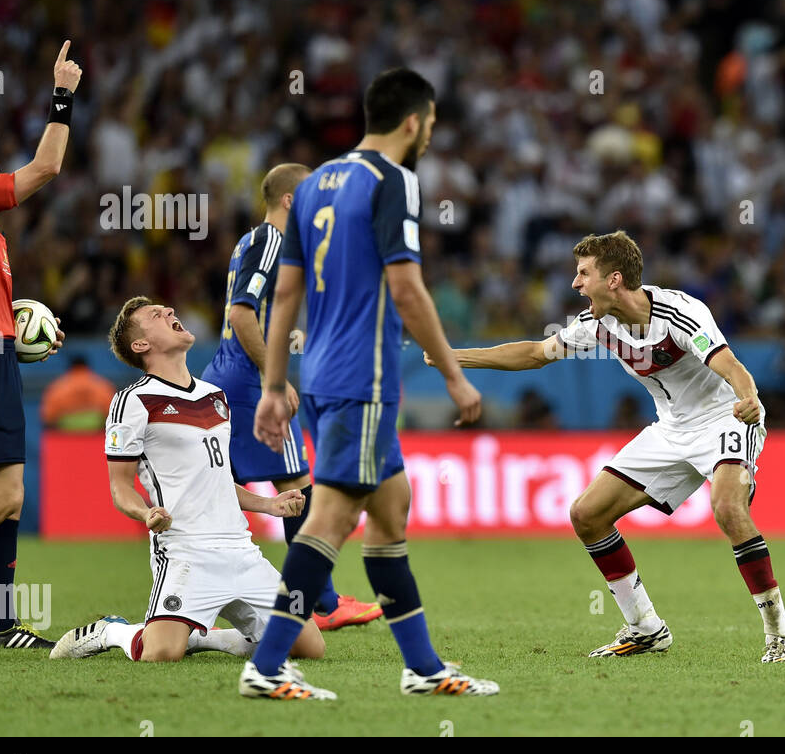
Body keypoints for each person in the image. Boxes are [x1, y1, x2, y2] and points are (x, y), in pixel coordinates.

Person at [242, 68, 497, 700]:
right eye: (432, 124)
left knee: (390, 513)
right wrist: (455, 374)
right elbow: (407, 288)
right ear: (414, 122)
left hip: (323, 373)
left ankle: (424, 668)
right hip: (364, 377)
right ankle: (267, 665)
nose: (431, 134)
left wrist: (276, 383)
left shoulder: (317, 182)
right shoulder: (395, 181)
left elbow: (289, 292)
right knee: (329, 520)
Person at [435, 230, 785, 663]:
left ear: (614, 280)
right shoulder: (595, 325)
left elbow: (729, 364)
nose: (575, 283)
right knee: (586, 514)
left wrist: (749, 397)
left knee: (728, 508)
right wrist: (455, 356)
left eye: (583, 273)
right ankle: (645, 628)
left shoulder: (680, 313)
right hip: (670, 430)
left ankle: (778, 636)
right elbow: (535, 353)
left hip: (725, 418)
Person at [51, 296, 324, 674]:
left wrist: (269, 505)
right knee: (161, 655)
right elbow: (120, 488)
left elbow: (218, 480)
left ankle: (202, 636)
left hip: (241, 550)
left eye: (168, 310)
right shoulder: (133, 401)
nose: (170, 313)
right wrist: (146, 512)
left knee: (310, 646)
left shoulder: (215, 397)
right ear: (141, 345)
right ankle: (112, 632)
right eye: (156, 316)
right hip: (186, 553)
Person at [202, 162, 382, 632]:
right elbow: (242, 315)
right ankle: (320, 602)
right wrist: (274, 377)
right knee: (298, 487)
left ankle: (192, 601)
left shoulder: (250, 241)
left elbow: (247, 313)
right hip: (246, 385)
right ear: (289, 201)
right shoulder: (271, 240)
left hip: (228, 378)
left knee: (215, 489)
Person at [0, 40, 81, 650]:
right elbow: (47, 168)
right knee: (3, 494)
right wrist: (61, 95)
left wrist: (24, 332)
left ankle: (2, 626)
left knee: (8, 495)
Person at [40, 355, 116, 431]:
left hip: (65, 436)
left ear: (70, 367)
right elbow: (113, 415)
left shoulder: (57, 387)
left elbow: (47, 417)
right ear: (87, 366)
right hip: (96, 436)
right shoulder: (102, 385)